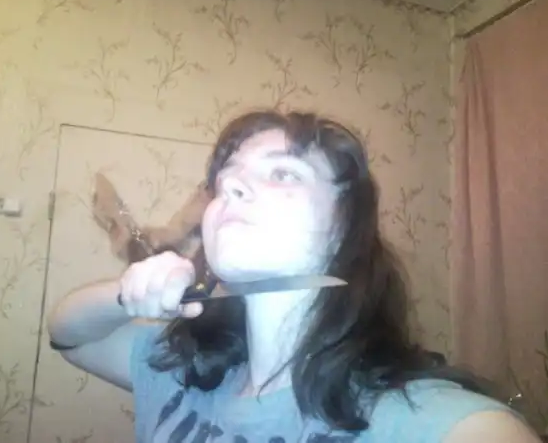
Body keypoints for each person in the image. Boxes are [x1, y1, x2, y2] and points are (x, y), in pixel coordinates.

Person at [47, 110, 540, 443]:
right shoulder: (186, 373)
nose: (231, 185)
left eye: (284, 173)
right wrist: (127, 293)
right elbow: (68, 336)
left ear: (344, 226)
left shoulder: (426, 421)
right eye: (225, 178)